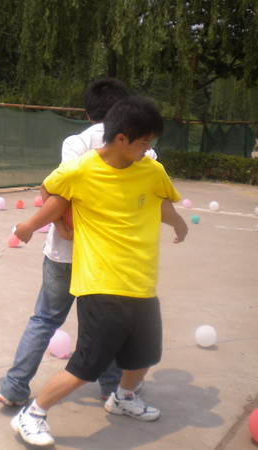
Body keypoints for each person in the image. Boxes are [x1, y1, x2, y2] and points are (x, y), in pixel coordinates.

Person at [10, 96, 188, 446]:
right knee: (88, 364)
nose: (148, 149)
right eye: (144, 143)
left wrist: (179, 223)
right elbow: (54, 194)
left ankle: (122, 398)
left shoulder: (151, 171)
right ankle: (32, 414)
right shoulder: (81, 170)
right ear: (121, 139)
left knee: (146, 354)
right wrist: (34, 225)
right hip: (100, 281)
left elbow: (161, 202)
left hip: (141, 280)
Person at [0, 78, 163, 407]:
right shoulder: (141, 149)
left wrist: (60, 227)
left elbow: (59, 192)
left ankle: (14, 386)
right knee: (113, 324)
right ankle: (111, 386)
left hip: (63, 254)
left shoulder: (75, 143)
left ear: (88, 114)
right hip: (109, 261)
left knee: (45, 319)